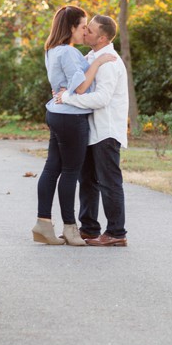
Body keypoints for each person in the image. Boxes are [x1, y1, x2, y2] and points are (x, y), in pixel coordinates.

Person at [32, 6, 116, 246]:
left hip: (56, 114)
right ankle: (70, 228)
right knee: (70, 171)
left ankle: (43, 224)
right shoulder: (68, 52)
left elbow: (63, 85)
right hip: (71, 117)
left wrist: (67, 88)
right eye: (82, 26)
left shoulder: (51, 50)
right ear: (71, 28)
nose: (85, 31)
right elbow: (79, 88)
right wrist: (98, 62)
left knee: (52, 169)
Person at [55, 15, 129, 247]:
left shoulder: (109, 62)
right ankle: (89, 228)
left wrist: (67, 98)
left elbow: (101, 99)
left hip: (106, 131)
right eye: (85, 28)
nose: (85, 32)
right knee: (86, 180)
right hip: (90, 130)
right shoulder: (92, 56)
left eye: (90, 30)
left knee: (109, 182)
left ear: (103, 37)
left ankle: (116, 232)